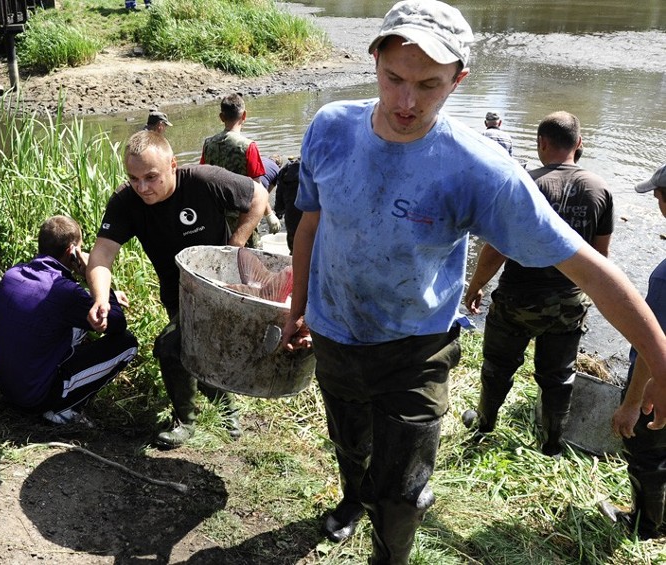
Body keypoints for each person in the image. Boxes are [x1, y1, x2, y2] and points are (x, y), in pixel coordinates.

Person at [279, 1, 666, 563]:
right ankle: (350, 499)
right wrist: (299, 306)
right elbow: (311, 222)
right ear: (374, 60)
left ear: (459, 80)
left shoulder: (481, 170)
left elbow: (587, 266)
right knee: (350, 442)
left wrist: (659, 358)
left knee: (404, 494)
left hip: (416, 350)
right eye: (394, 79)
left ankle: (389, 551)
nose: (406, 101)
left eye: (429, 84)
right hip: (336, 330)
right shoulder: (331, 127)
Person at [86, 130, 268, 448]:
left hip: (219, 286)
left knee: (171, 347)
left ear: (172, 164)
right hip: (178, 291)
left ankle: (191, 419)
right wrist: (101, 297)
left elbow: (258, 196)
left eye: (151, 177)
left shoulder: (204, 180)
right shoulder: (126, 201)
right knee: (194, 346)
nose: (142, 187)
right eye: (134, 178)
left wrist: (235, 244)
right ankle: (219, 409)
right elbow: (101, 254)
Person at [461, 111, 613, 458]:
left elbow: (496, 249)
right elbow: (600, 257)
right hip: (568, 303)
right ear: (579, 144)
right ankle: (552, 445)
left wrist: (476, 285)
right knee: (559, 376)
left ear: (541, 143)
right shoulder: (599, 189)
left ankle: (484, 424)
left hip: (518, 299)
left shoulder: (525, 183)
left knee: (497, 367)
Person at [0, 216, 138, 426]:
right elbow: (116, 322)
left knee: (76, 322)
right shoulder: (64, 292)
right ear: (73, 252)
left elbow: (68, 302)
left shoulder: (12, 275)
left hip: (8, 388)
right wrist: (92, 275)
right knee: (127, 343)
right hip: (35, 398)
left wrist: (105, 294)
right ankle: (61, 408)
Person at [604, 163, 666, 540]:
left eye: (659, 194)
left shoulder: (664, 276)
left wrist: (631, 404)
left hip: (657, 382)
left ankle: (645, 526)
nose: (656, 200)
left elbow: (653, 344)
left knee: (647, 455)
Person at [200, 93, 277, 242]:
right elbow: (257, 186)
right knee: (249, 260)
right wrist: (269, 214)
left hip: (217, 217)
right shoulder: (248, 146)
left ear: (221, 117)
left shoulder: (208, 144)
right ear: (244, 115)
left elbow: (203, 178)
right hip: (242, 217)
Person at [273, 156, 302, 253]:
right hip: (312, 217)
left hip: (292, 218)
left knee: (295, 252)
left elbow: (279, 195)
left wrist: (278, 212)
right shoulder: (314, 166)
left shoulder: (286, 169)